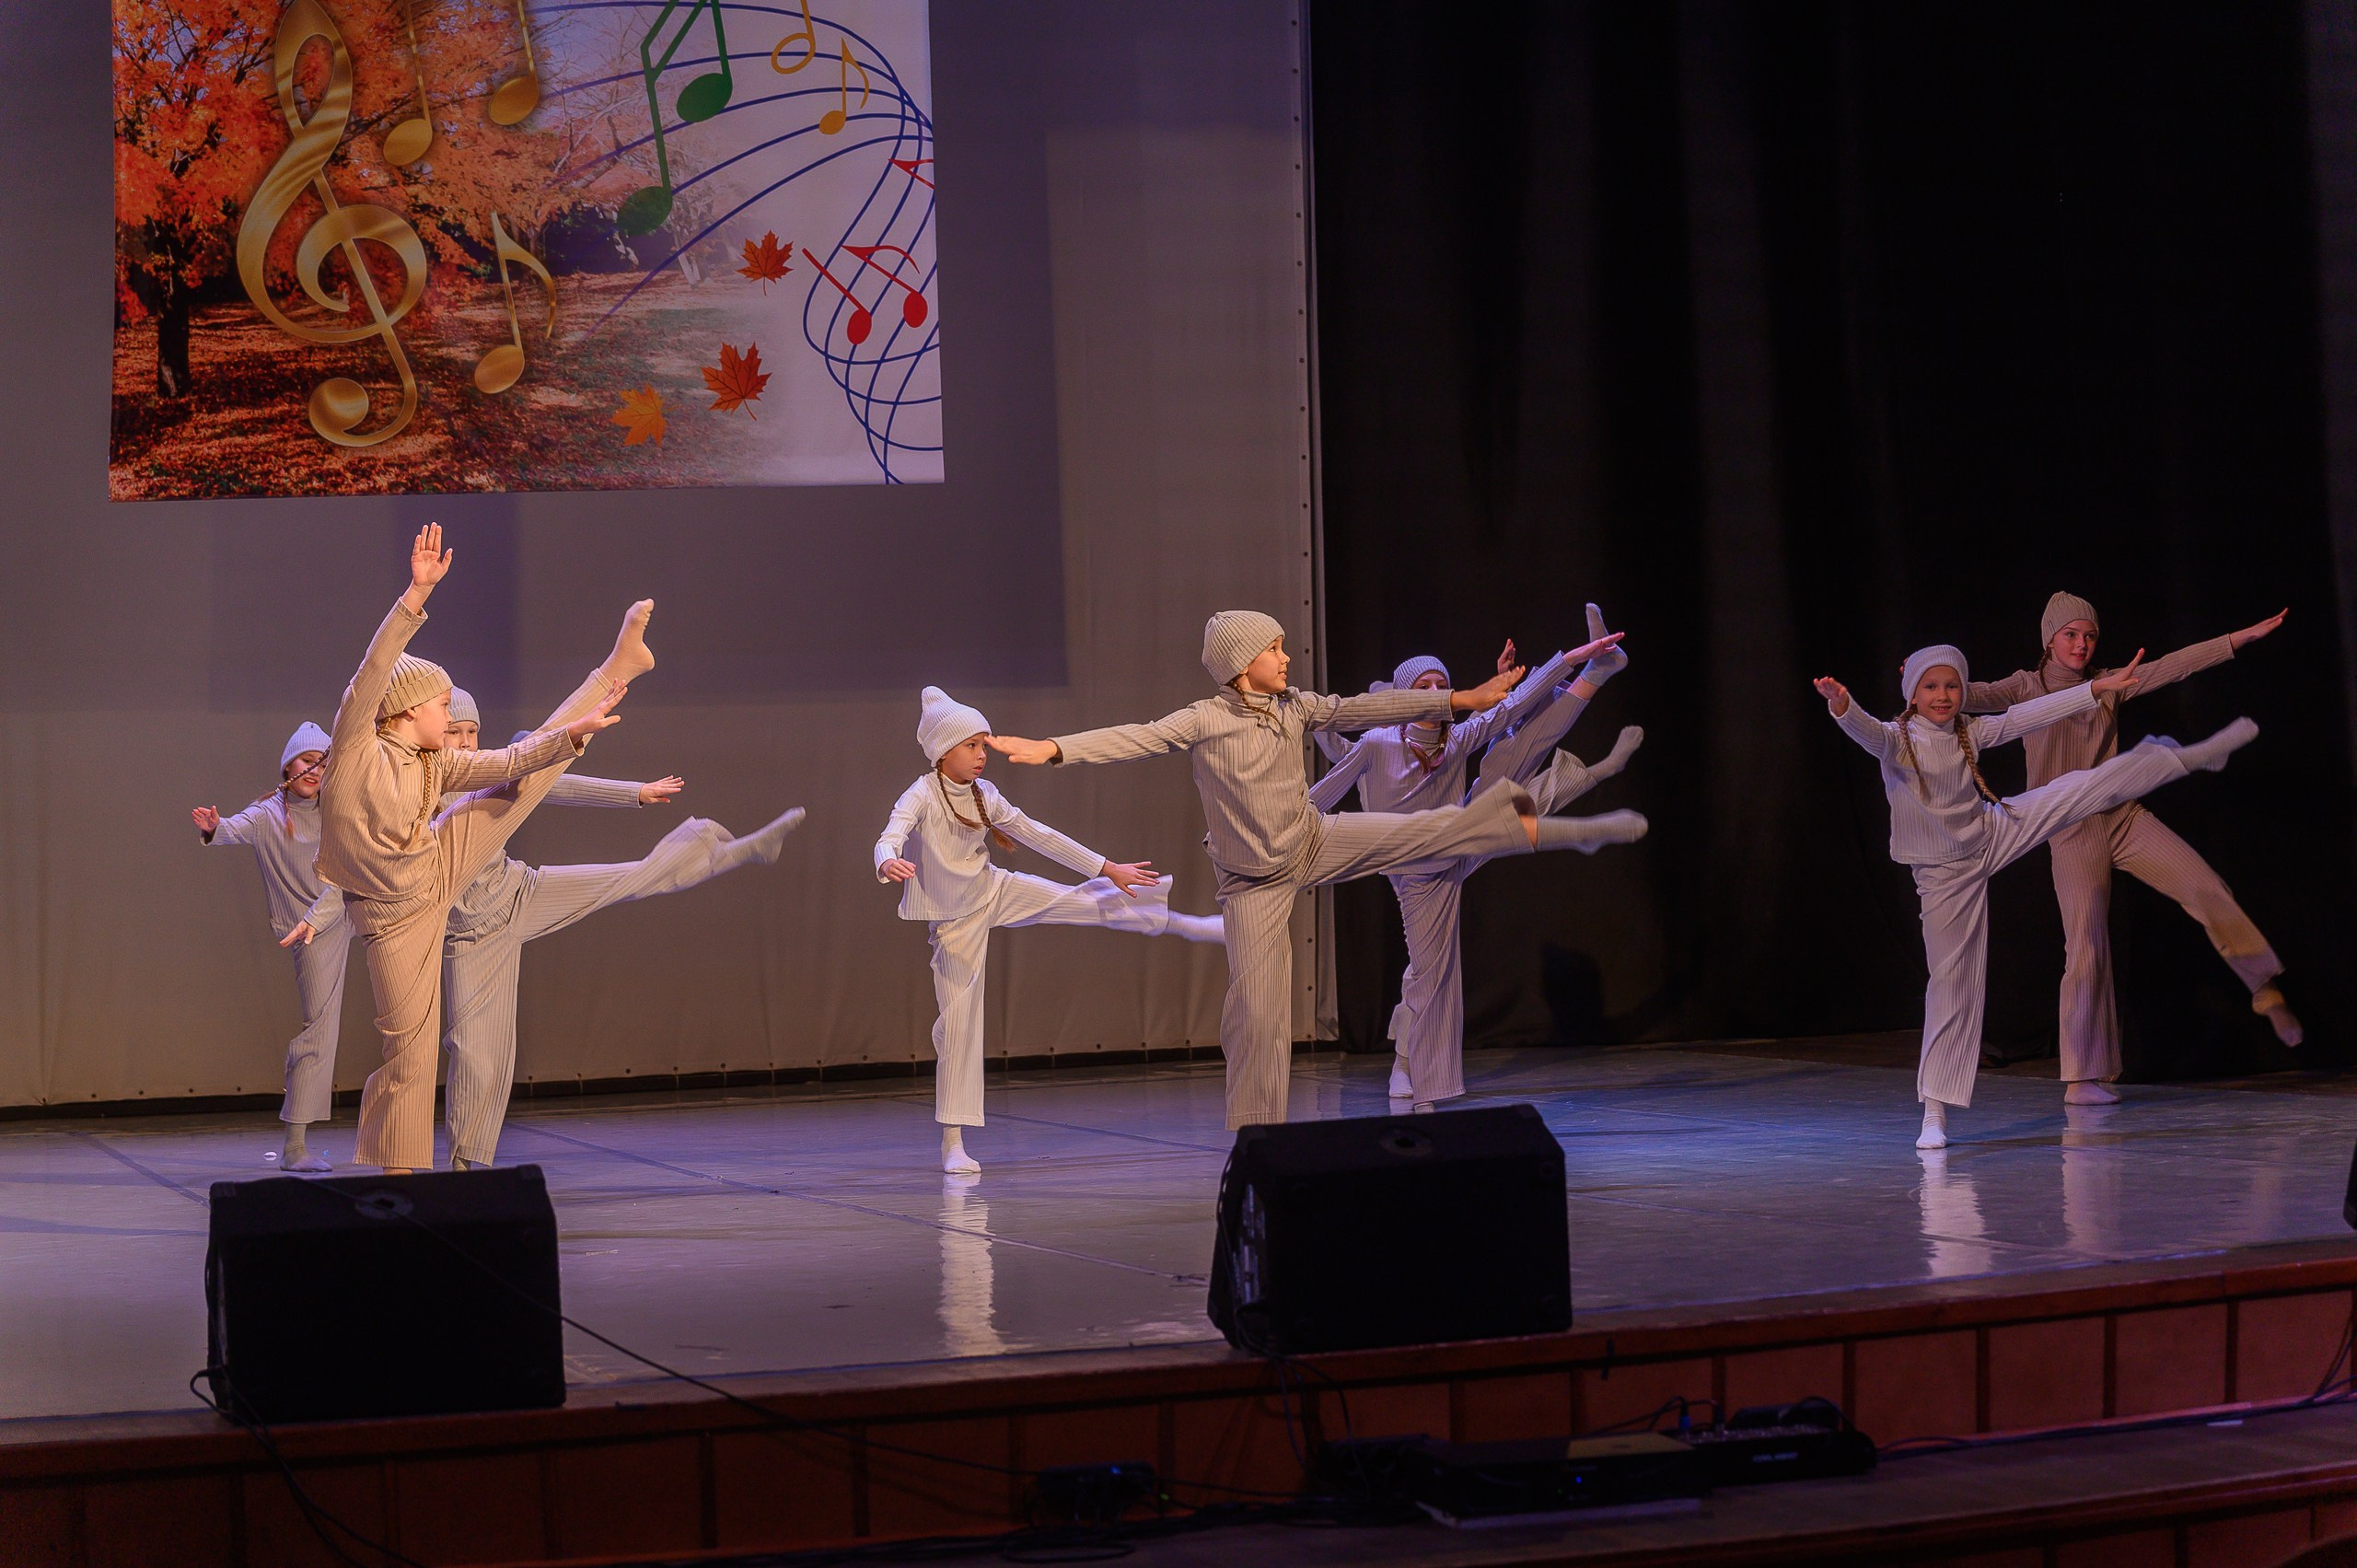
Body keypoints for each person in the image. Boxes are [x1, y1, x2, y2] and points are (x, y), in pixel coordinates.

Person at [988, 611, 1648, 1130]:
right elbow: (1133, 736)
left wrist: (1470, 696)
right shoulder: (1205, 719)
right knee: (1259, 1011)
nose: (1286, 657)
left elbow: (1367, 707)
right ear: (1243, 665)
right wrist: (1051, 749)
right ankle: (1258, 1134)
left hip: (1313, 841)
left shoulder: (1298, 705)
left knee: (1433, 828)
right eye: (1274, 649)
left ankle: (1575, 829)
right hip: (1252, 881)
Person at [1816, 643, 2257, 1148]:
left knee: (2079, 787)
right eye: (1931, 686)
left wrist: (2094, 690)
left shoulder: (1970, 731)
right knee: (1951, 984)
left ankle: (2188, 756)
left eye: (1952, 685)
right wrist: (1842, 706)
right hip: (1944, 877)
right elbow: (1866, 731)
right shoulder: (1898, 739)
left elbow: (2027, 714)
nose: (1944, 695)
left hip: (1990, 832)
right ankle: (1934, 1112)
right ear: (1912, 693)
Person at [313, 523, 648, 1173]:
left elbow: (513, 757)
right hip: (392, 918)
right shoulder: (354, 747)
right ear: (409, 710)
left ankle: (616, 667)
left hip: (435, 868)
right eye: (443, 705)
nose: (454, 719)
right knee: (409, 1054)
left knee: (520, 781)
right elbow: (374, 670)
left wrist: (571, 735)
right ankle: (400, 1177)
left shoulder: (437, 764)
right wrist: (414, 595)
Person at [1964, 593, 2297, 1101]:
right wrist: (1929, 681)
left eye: (2089, 635)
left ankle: (2263, 985)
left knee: (2206, 885)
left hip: (2121, 814)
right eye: (2071, 635)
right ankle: (2082, 1077)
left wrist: (2239, 639)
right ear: (2050, 639)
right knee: (2087, 945)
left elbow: (2174, 666)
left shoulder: (2112, 682)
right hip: (2070, 826)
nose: (2081, 644)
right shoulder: (2025, 687)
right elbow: (1974, 695)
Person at [878, 687, 1223, 1174]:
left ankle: (1184, 924)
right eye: (972, 746)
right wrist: (887, 860)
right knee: (958, 1022)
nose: (982, 755)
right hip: (955, 919)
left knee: (1079, 898)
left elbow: (1037, 834)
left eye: (983, 745)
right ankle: (953, 1141)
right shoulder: (921, 794)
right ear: (943, 751)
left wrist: (1106, 867)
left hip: (992, 888)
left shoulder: (985, 795)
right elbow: (891, 832)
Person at [1309, 607, 1643, 1107]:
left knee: (1509, 753)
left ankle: (1599, 673)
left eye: (1439, 684)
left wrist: (1573, 659)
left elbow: (1508, 708)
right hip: (1413, 869)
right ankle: (1413, 1068)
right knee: (1431, 971)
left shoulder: (1455, 738)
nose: (1432, 692)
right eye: (1420, 685)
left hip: (1456, 839)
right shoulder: (1378, 743)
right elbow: (1325, 787)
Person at [192, 722, 347, 1171]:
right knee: (319, 1029)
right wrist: (214, 827)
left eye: (323, 762)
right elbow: (233, 829)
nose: (315, 770)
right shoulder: (267, 815)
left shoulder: (339, 812)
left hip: (350, 912)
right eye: (306, 761)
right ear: (288, 766)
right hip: (311, 930)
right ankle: (295, 1148)